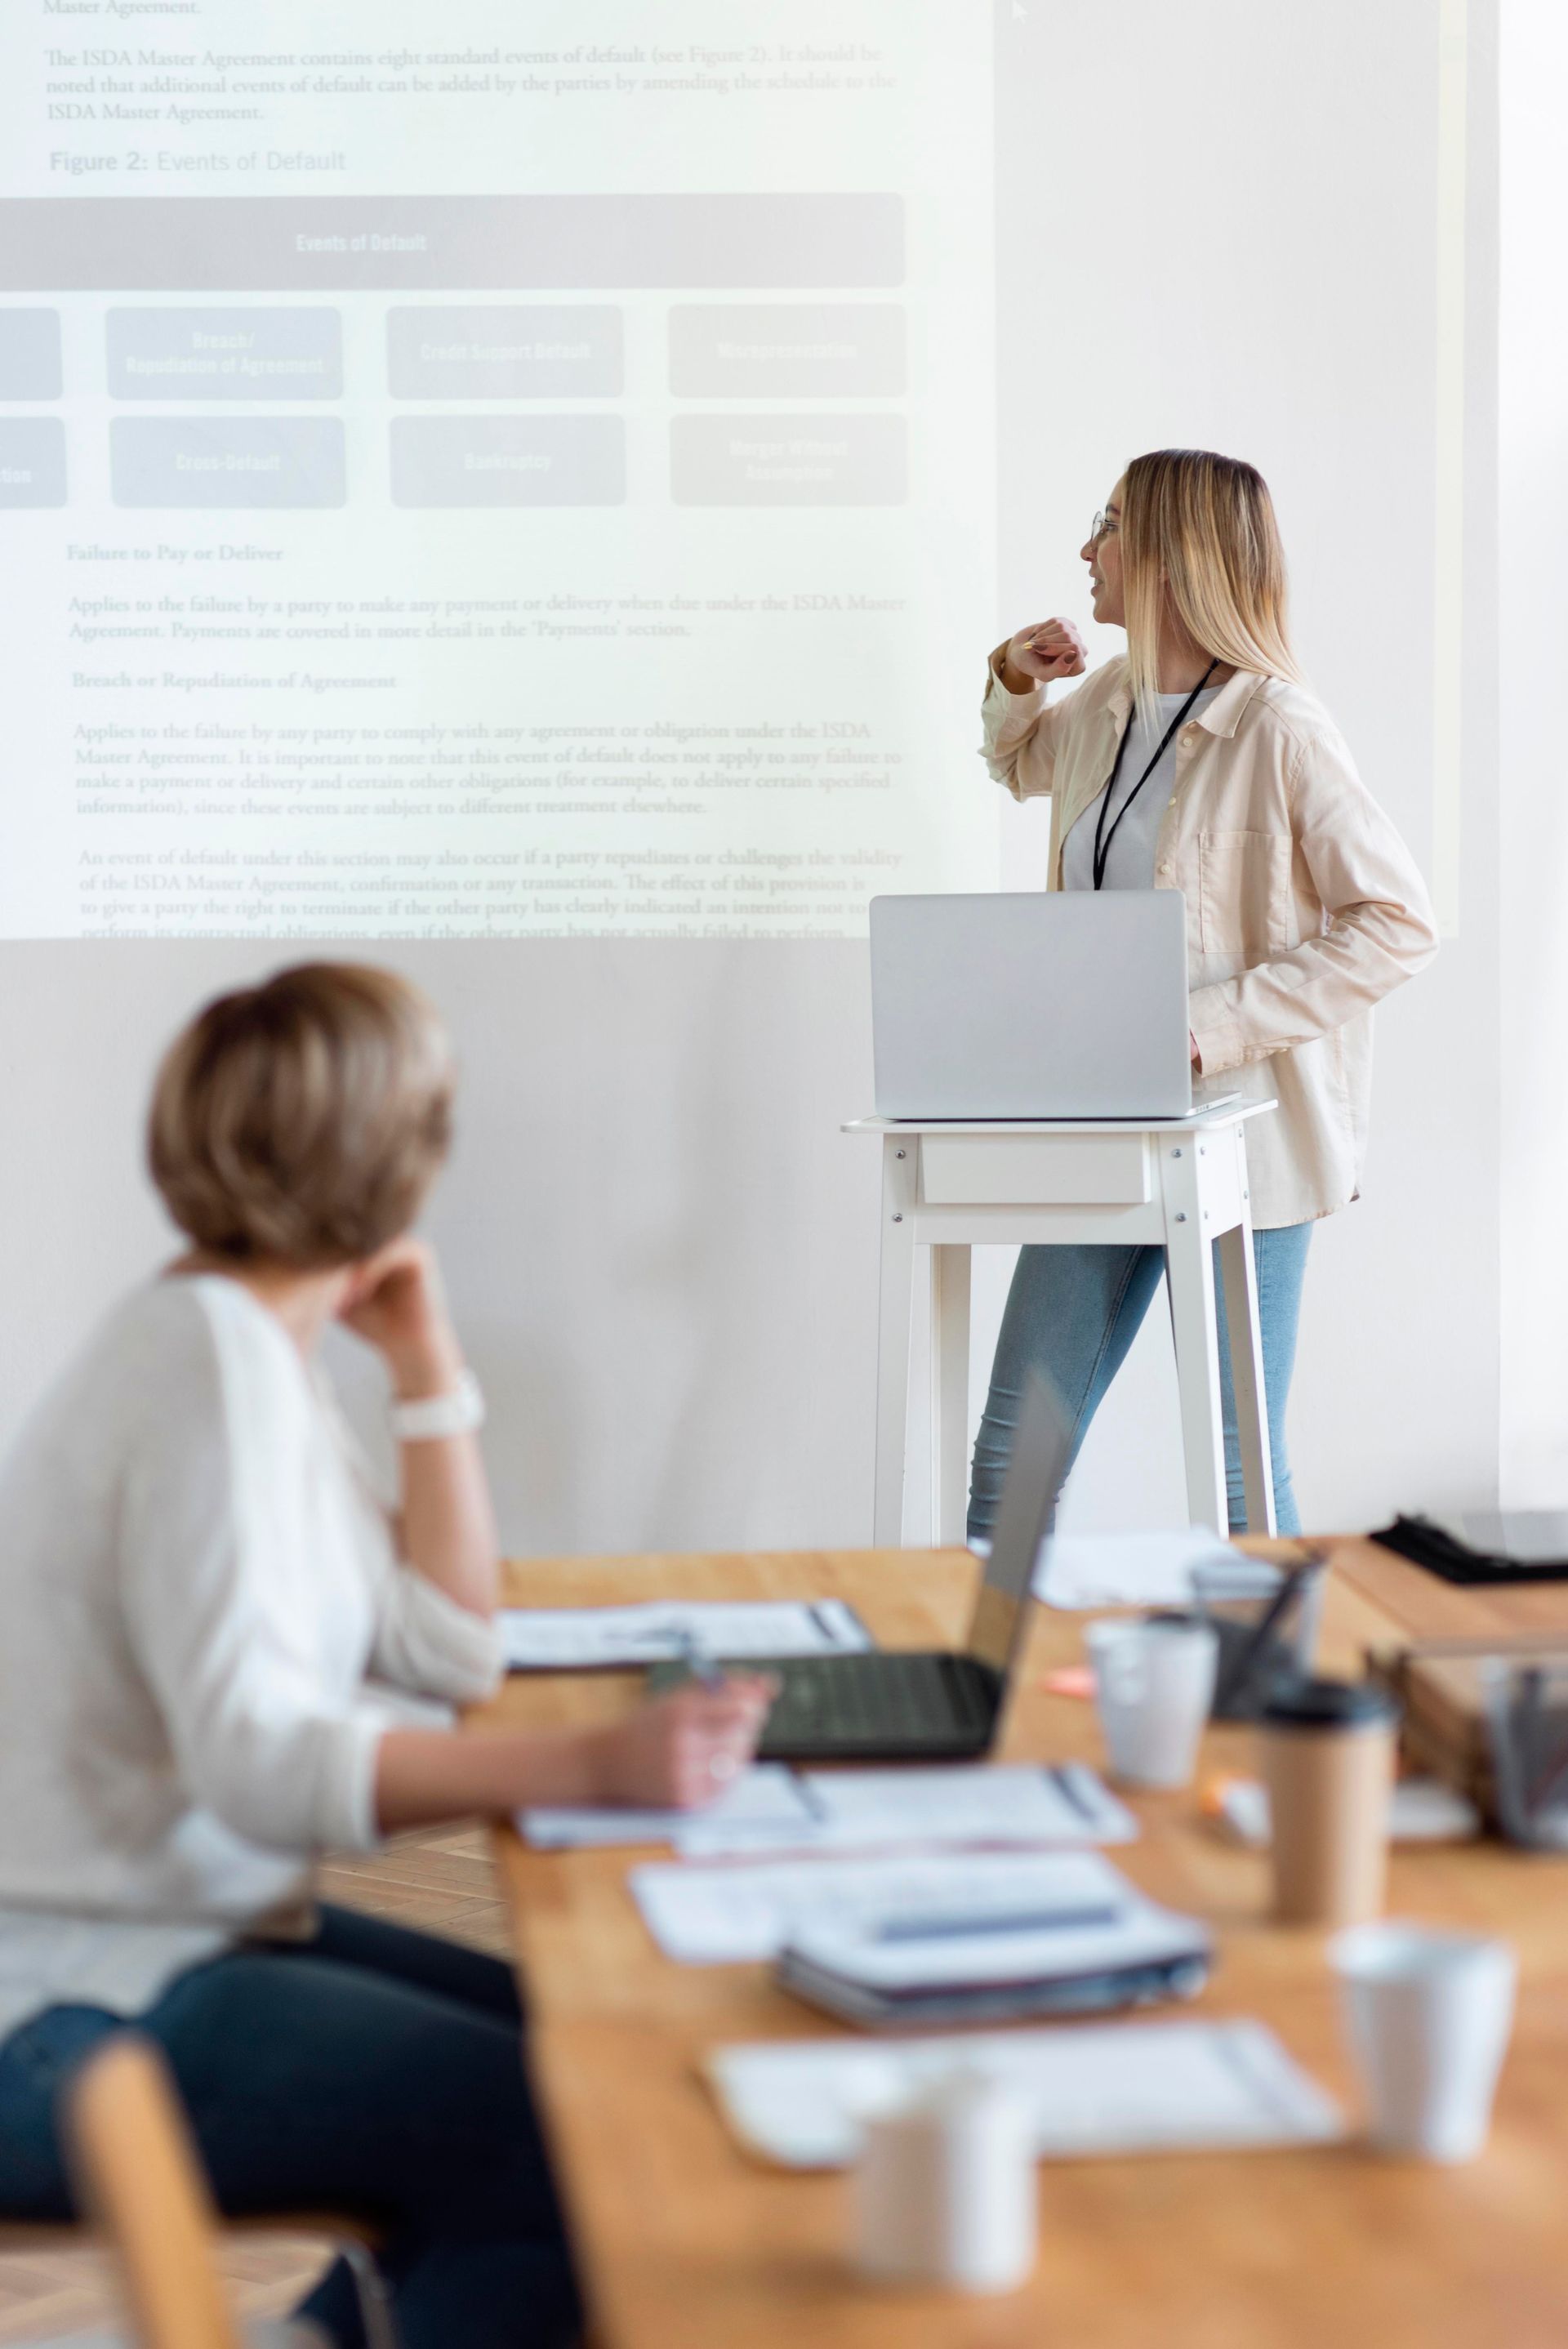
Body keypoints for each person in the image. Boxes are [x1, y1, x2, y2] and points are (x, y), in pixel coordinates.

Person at [0, 963, 770, 2349]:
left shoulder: (243, 1342)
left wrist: (425, 1368)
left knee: (594, 2050)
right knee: (571, 2136)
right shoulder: (206, 1377)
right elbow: (257, 1764)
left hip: (164, 1934)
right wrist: (591, 1763)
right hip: (61, 2004)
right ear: (390, 1162)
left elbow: (443, 1640)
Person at [971, 448, 1438, 1539]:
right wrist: (1011, 671)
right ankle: (979, 1694)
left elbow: (1397, 923)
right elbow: (1019, 763)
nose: (1087, 549)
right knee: (1014, 1464)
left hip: (1240, 1142)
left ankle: (1267, 1706)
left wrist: (1206, 1028)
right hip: (1101, 1120)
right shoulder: (1108, 702)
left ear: (1174, 553)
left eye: (1110, 523)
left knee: (1240, 1480)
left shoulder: (1281, 725)